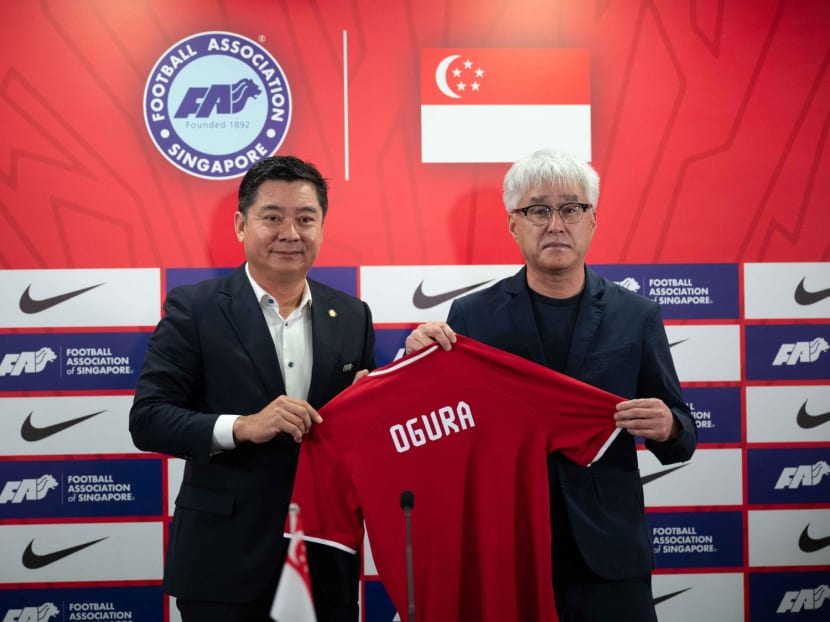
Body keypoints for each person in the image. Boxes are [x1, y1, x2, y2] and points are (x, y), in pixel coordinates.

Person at [405, 149, 697, 622]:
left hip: (608, 554)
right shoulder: (471, 317)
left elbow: (683, 434)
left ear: (593, 220)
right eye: (538, 210)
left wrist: (668, 426)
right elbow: (443, 433)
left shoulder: (636, 315)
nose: (556, 224)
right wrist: (415, 365)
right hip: (507, 547)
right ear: (513, 225)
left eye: (571, 209)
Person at [129, 155, 375, 622]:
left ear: (322, 226)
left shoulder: (352, 315)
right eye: (272, 217)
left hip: (325, 558)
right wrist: (242, 427)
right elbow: (148, 419)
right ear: (242, 225)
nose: (290, 232)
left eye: (306, 218)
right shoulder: (195, 309)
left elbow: (365, 429)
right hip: (222, 563)